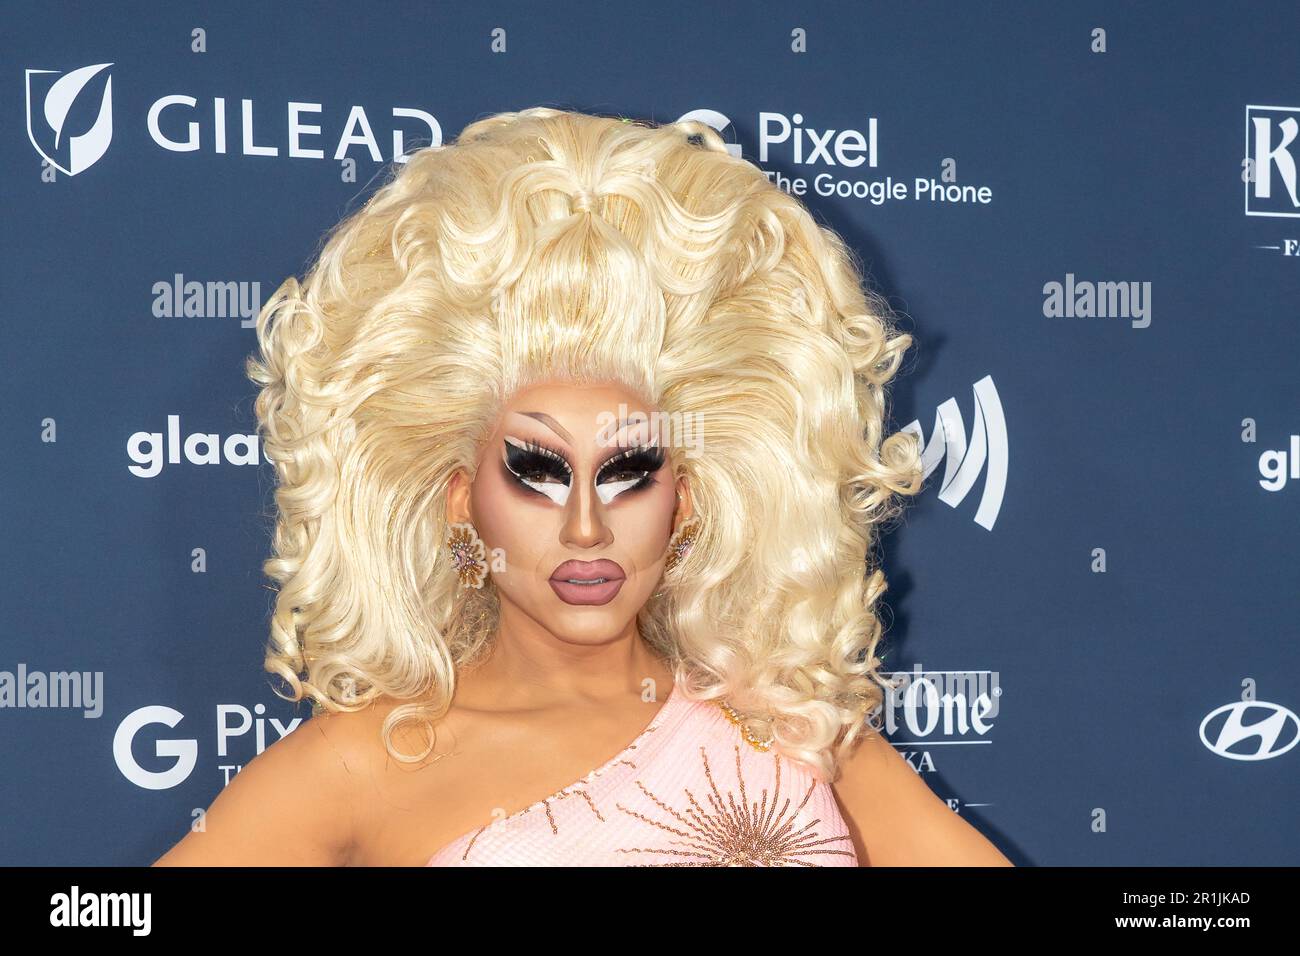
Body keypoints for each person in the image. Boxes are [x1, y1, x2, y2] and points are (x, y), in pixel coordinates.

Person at [153, 107, 1012, 867]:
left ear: (690, 497)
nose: (587, 528)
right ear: (459, 499)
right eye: (536, 471)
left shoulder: (788, 723)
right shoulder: (367, 761)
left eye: (630, 472)